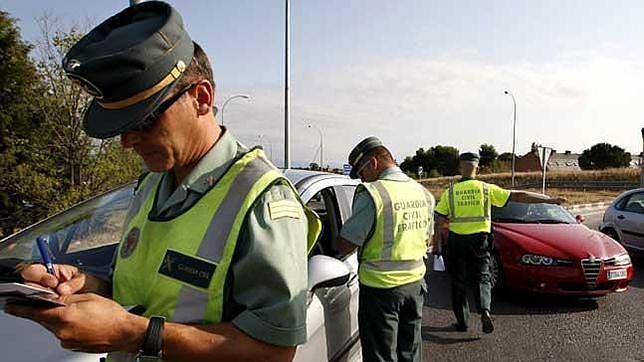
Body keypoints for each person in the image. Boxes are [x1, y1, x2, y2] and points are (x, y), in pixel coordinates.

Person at [4, 2, 321, 361]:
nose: (127, 141)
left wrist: (135, 334)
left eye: (144, 120)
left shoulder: (261, 199)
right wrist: (86, 284)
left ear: (201, 98)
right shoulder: (152, 184)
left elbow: (275, 351)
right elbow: (144, 289)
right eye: (123, 126)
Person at [433, 152, 565, 334]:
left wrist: (436, 242)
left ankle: (462, 322)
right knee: (483, 276)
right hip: (480, 239)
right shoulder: (487, 189)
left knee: (459, 282)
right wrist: (549, 200)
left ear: (460, 167)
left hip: (457, 241)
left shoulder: (451, 192)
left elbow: (438, 218)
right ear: (477, 168)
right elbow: (519, 196)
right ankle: (485, 310)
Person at [336, 136, 435, 362]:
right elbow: (428, 240)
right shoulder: (423, 192)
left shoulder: (374, 194)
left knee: (381, 355)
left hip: (381, 291)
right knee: (410, 352)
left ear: (372, 163)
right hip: (415, 286)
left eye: (361, 173)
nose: (362, 179)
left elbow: (345, 244)